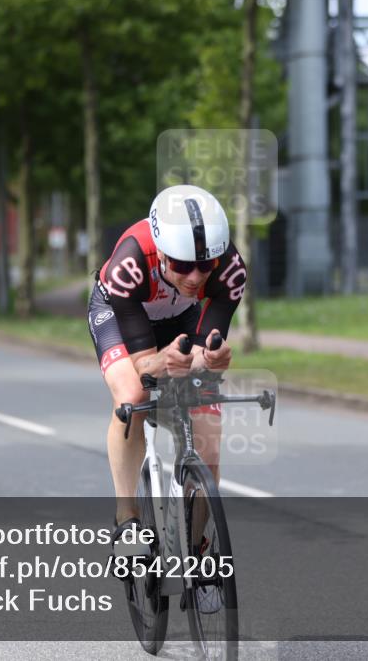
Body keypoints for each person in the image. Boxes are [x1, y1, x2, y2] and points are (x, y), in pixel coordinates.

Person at [88, 184, 246, 547]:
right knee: (134, 394)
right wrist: (163, 361)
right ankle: (127, 519)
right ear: (160, 252)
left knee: (208, 438)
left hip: (181, 316)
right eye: (182, 265)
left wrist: (211, 358)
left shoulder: (230, 270)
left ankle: (195, 546)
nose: (195, 277)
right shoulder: (130, 262)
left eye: (205, 266)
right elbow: (145, 365)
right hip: (119, 313)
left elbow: (206, 350)